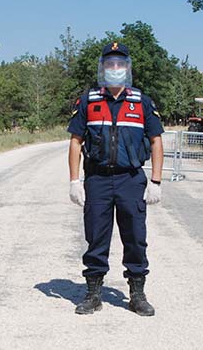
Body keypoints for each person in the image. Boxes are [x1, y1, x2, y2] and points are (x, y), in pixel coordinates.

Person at [67, 41, 165, 316]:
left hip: (130, 180)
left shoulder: (141, 102)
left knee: (135, 237)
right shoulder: (89, 100)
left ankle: (137, 294)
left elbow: (156, 142)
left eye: (119, 64)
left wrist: (156, 182)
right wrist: (75, 180)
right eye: (110, 64)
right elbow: (76, 142)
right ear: (103, 68)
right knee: (96, 237)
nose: (115, 69)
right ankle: (93, 293)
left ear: (127, 68)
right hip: (97, 179)